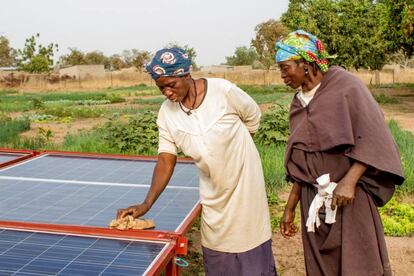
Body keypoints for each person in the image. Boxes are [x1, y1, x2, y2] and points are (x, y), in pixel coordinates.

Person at [116, 47, 277, 275]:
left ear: (185, 75)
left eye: (171, 84)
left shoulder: (222, 91)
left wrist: (237, 153)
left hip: (245, 190)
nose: (167, 92)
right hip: (213, 196)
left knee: (252, 258)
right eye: (161, 87)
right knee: (219, 255)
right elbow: (166, 159)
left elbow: (253, 117)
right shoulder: (166, 113)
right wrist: (146, 204)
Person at [275, 30, 404, 276]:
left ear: (305, 63)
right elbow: (303, 162)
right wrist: (290, 207)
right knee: (321, 266)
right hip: (312, 198)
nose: (282, 75)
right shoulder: (299, 101)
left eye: (285, 67)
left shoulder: (346, 86)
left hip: (348, 197)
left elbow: (373, 137)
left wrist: (350, 181)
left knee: (359, 263)